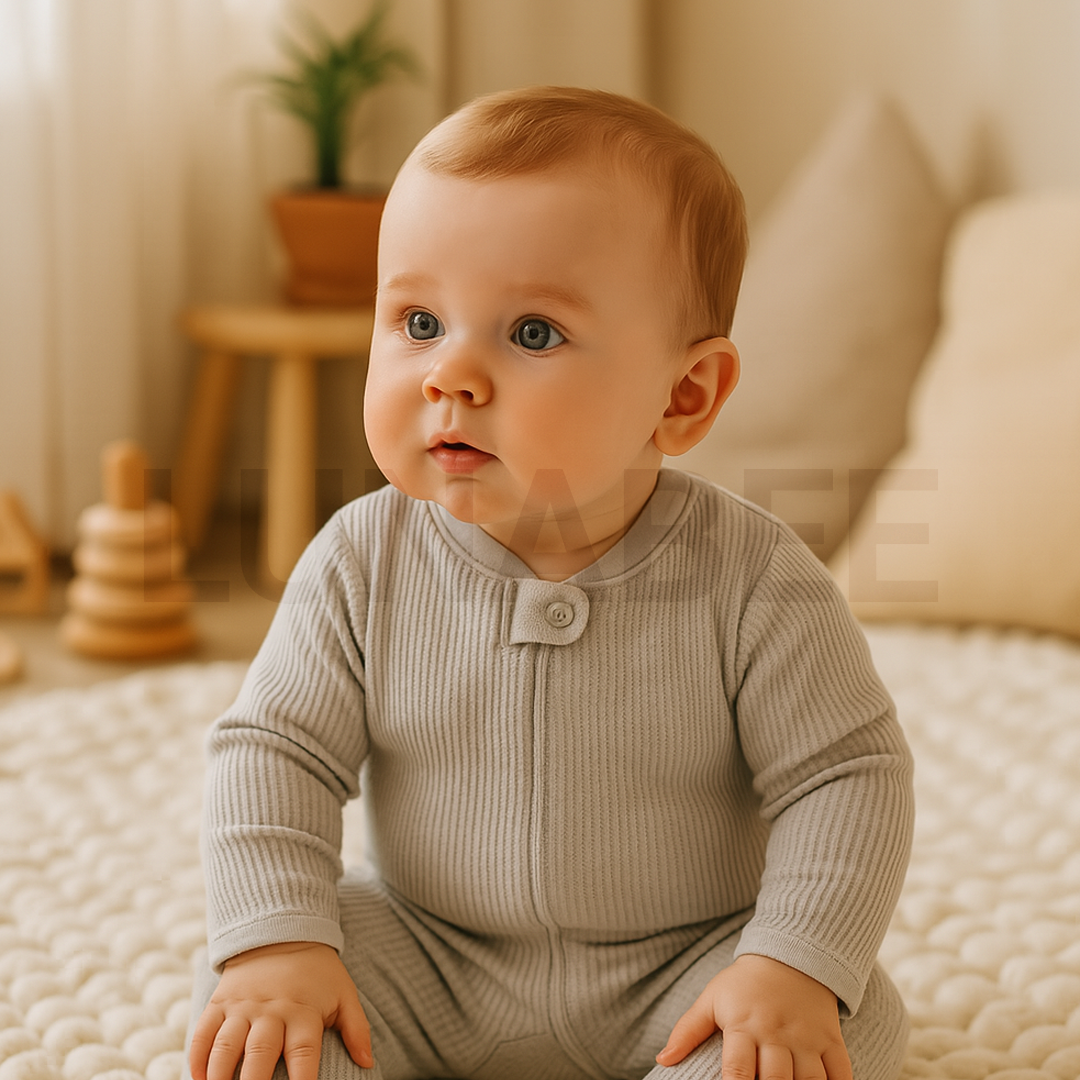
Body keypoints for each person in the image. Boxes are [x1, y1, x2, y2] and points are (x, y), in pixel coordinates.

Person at [186, 86, 914, 1080]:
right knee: (251, 1012)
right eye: (418, 320)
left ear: (684, 395)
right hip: (424, 952)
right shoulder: (364, 559)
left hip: (686, 964)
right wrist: (278, 943)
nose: (451, 374)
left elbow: (847, 778)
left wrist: (790, 964)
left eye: (531, 334)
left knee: (835, 1025)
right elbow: (275, 751)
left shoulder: (753, 580)